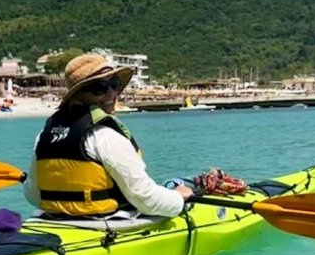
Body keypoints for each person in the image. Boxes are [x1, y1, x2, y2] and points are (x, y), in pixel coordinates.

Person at [22, 53, 193, 219]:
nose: (111, 93)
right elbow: (145, 199)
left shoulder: (44, 136)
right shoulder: (106, 137)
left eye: (114, 83)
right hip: (106, 227)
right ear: (79, 94)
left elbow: (32, 195)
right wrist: (178, 197)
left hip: (56, 222)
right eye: (99, 89)